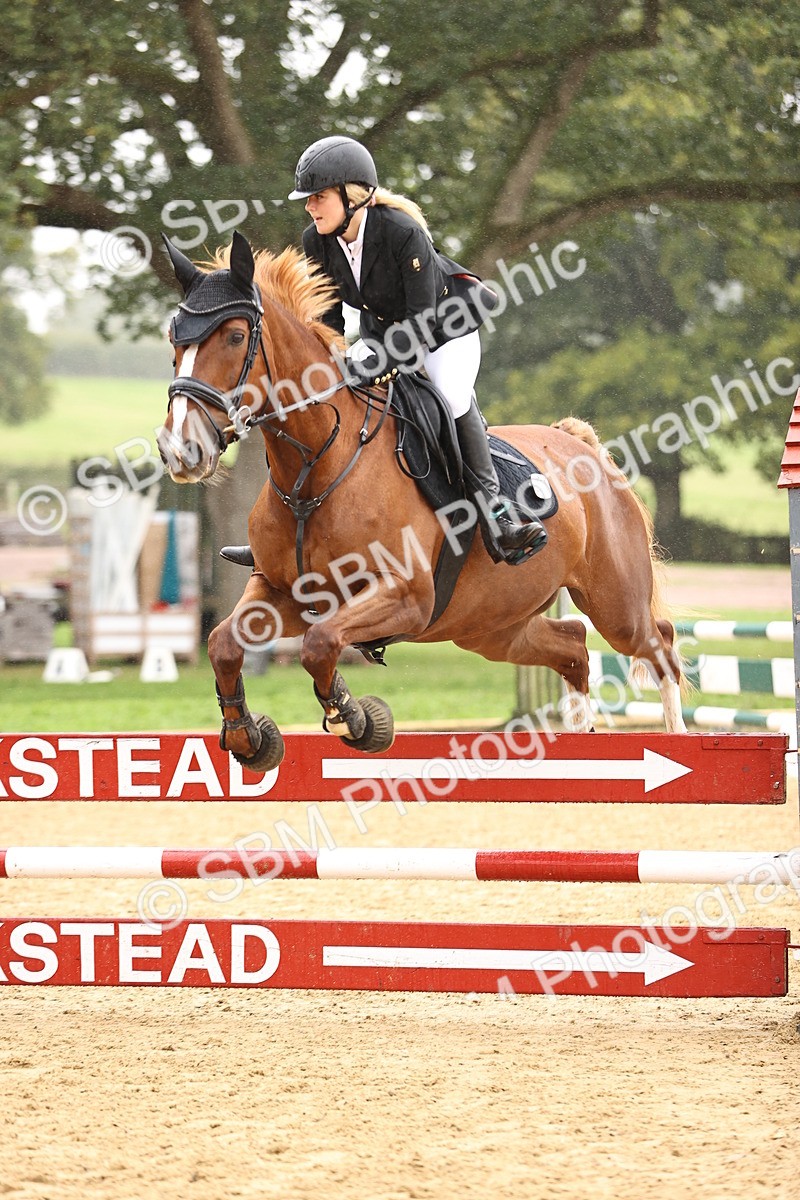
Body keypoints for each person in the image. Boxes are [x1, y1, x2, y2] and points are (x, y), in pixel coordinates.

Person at [222, 135, 547, 568]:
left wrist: (381, 361)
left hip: (443, 330)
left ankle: (497, 511)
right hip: (383, 332)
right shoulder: (317, 240)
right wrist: (330, 362)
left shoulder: (401, 231)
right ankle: (276, 528)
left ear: (351, 196)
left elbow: (422, 318)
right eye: (309, 199)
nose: (309, 207)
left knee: (448, 396)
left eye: (318, 197)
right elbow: (329, 318)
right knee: (309, 401)